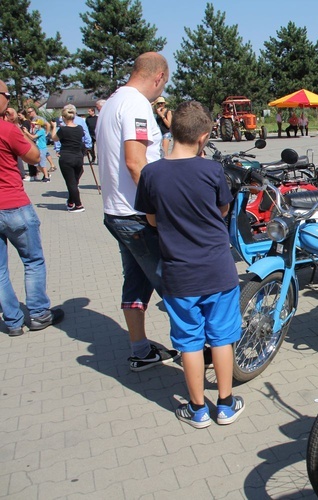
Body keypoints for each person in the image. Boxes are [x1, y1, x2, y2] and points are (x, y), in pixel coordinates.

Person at [134, 101, 244, 428]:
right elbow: (223, 210)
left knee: (189, 342)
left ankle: (197, 410)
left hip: (178, 274)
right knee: (222, 338)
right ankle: (225, 404)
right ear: (204, 137)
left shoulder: (151, 173)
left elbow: (151, 219)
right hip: (218, 270)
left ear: (171, 130)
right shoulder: (212, 170)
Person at [96, 52, 179, 371]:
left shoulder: (114, 102)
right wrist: (159, 206)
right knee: (172, 285)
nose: (162, 90)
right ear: (158, 76)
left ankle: (140, 349)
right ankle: (197, 353)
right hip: (136, 215)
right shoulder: (135, 106)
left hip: (116, 212)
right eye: (164, 84)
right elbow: (135, 161)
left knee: (136, 282)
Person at [0, 79, 65, 337]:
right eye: (6, 93)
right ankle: (39, 314)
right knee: (33, 260)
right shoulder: (7, 130)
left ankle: (13, 321)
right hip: (13, 204)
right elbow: (35, 156)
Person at [50, 104, 86, 212]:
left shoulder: (63, 130)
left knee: (71, 183)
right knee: (74, 181)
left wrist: (53, 127)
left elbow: (54, 138)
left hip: (66, 157)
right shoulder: (80, 128)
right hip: (78, 157)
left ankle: (78, 205)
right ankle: (71, 202)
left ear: (64, 118)